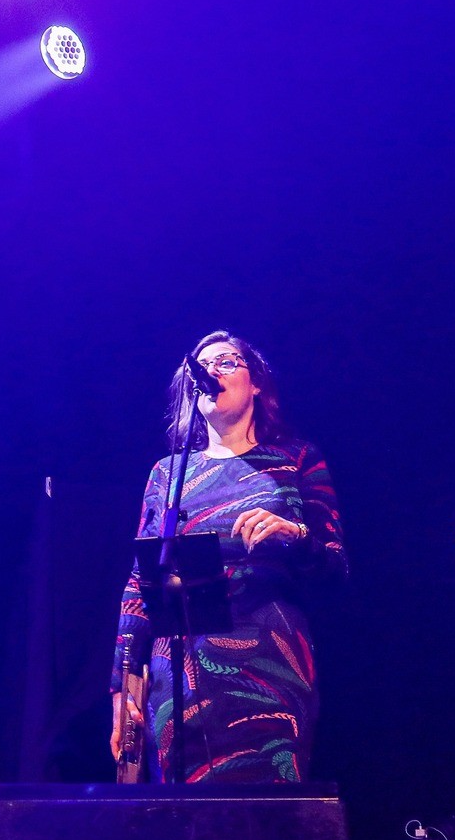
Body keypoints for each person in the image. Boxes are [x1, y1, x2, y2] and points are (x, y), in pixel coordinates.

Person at [109, 332, 347, 782]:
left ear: (256, 383)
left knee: (267, 823)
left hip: (270, 667)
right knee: (182, 831)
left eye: (226, 362)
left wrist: (293, 534)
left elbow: (335, 566)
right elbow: (140, 585)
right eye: (202, 368)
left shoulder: (297, 460)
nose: (212, 373)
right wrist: (122, 686)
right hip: (176, 676)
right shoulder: (167, 474)